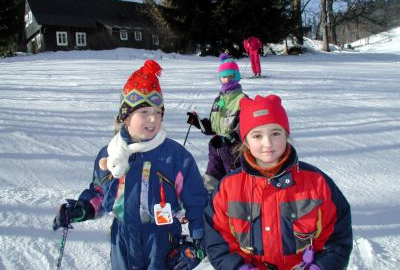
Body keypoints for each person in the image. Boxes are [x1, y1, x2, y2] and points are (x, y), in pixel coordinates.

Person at [53, 60, 208, 270]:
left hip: (163, 240)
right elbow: (100, 192)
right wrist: (83, 208)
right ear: (126, 116)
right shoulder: (110, 154)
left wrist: (199, 242)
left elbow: (197, 202)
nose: (153, 119)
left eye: (158, 112)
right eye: (144, 112)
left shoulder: (175, 157)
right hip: (122, 240)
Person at [204, 94, 353, 269]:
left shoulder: (317, 183)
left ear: (286, 134)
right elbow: (218, 241)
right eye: (257, 136)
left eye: (275, 133)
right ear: (245, 141)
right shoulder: (228, 188)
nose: (268, 143)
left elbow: (337, 238)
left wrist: (318, 266)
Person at [187, 53, 247, 193]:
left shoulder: (242, 100)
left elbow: (245, 127)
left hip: (234, 152)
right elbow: (213, 128)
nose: (227, 80)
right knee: (210, 181)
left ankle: (235, 207)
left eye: (231, 76)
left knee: (235, 184)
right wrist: (197, 122)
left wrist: (230, 138)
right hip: (216, 149)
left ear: (237, 76)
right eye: (224, 76)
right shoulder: (217, 100)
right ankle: (208, 206)